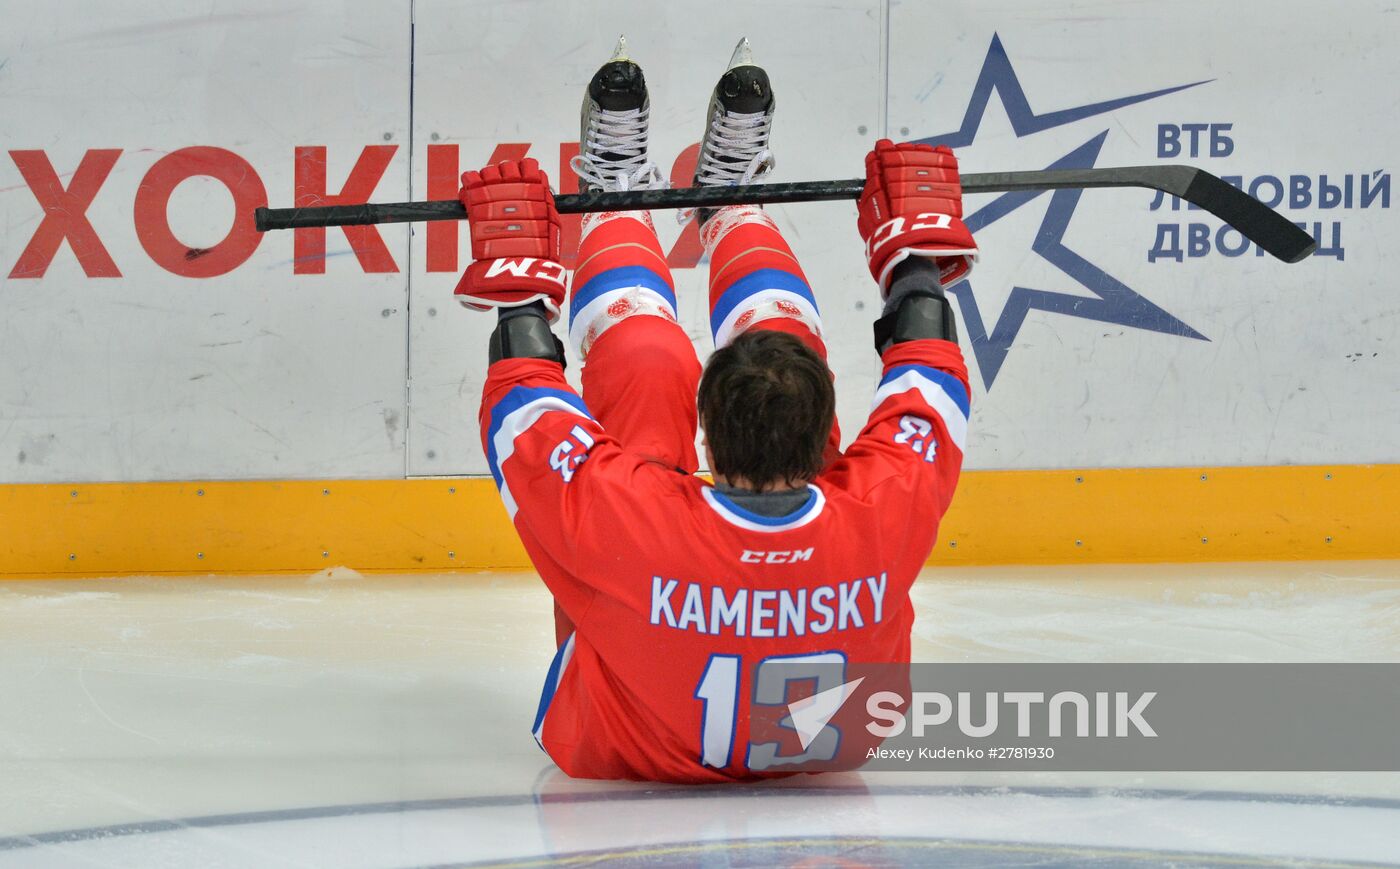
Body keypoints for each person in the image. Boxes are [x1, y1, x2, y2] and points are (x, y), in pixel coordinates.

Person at [455, 37, 978, 783]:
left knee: (645, 362)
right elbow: (931, 394)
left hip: (623, 739)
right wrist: (915, 260)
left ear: (706, 432)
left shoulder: (636, 522)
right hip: (836, 740)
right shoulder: (877, 513)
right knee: (781, 357)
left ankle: (615, 196)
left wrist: (913, 267)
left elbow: (521, 412)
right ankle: (732, 204)